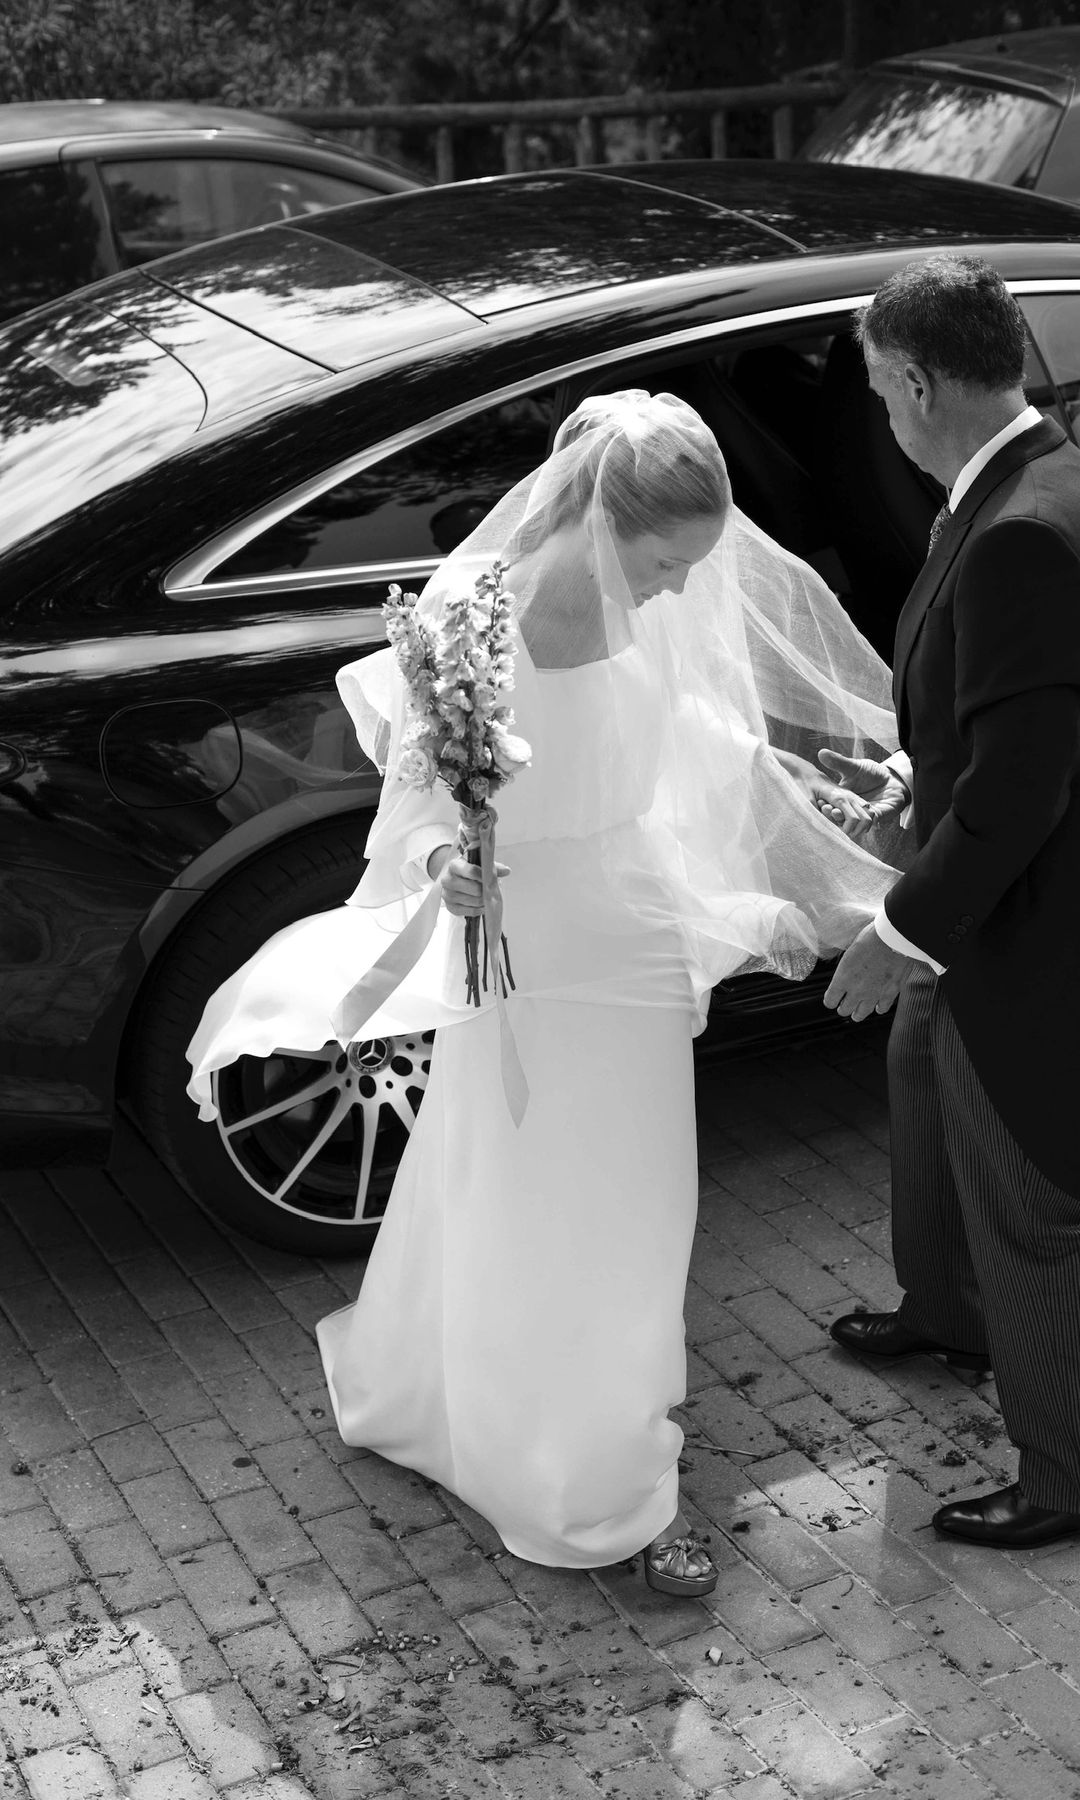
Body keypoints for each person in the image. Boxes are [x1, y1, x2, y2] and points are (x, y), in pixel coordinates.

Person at [187, 391, 900, 1594]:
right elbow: (412, 808)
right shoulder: (472, 618)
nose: (682, 589)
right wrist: (439, 869)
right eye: (669, 563)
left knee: (629, 1207)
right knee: (529, 1191)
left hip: (629, 938)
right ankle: (589, 1497)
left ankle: (520, 1409)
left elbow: (696, 732)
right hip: (521, 949)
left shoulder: (653, 611)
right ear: (610, 528)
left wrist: (815, 792)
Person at [820, 254, 1080, 1549]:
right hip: (985, 883)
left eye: (878, 390)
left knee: (1027, 1192)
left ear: (918, 384)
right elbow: (1009, 720)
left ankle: (1063, 1475)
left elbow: (1024, 794)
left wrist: (900, 929)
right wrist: (912, 771)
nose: (882, 415)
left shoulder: (1022, 531)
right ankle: (943, 1309)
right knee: (923, 1073)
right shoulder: (1028, 481)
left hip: (1030, 926)